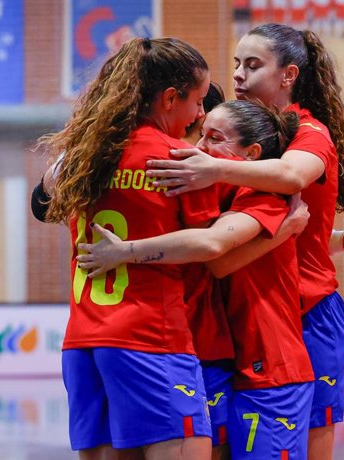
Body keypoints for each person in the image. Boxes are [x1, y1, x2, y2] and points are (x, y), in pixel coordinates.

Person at [140, 23, 344, 459]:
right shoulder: (240, 133)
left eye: (253, 65)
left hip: (308, 312)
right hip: (251, 310)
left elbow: (289, 180)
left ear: (288, 76)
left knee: (310, 440)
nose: (240, 75)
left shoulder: (308, 134)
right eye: (237, 65)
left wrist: (211, 167)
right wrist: (337, 239)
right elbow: (284, 230)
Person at [77, 99, 317, 459]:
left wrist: (124, 251)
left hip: (267, 364)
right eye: (198, 135)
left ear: (251, 154)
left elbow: (215, 254)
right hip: (211, 354)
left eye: (213, 138)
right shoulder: (207, 191)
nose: (199, 149)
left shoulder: (265, 196)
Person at [33, 37, 232, 460]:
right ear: (169, 98)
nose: (201, 114)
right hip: (150, 337)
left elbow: (42, 204)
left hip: (83, 344)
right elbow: (211, 247)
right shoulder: (179, 159)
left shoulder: (84, 156)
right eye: (197, 102)